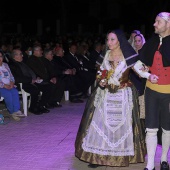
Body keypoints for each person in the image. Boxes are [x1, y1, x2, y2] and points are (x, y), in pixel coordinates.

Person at [75, 29, 146, 168]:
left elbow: (141, 71)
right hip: (105, 95)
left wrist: (151, 75)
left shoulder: (128, 55)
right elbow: (101, 72)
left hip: (123, 94)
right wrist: (101, 80)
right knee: (101, 124)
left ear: (119, 41)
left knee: (122, 125)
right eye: (108, 39)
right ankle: (98, 156)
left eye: (112, 39)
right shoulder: (106, 54)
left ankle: (120, 155)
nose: (109, 42)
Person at [133, 12, 170, 170]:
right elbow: (137, 65)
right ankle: (149, 165)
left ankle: (163, 160)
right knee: (151, 128)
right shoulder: (152, 42)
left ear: (168, 24)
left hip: (168, 94)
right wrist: (147, 74)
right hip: (151, 93)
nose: (154, 24)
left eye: (158, 22)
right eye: (155, 21)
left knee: (167, 128)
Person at [0, 50, 25, 121]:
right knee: (8, 94)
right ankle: (12, 112)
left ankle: (17, 110)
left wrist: (11, 83)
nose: (0, 58)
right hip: (1, 87)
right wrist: (4, 85)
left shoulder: (5, 65)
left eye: (1, 56)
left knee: (14, 92)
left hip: (9, 85)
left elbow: (11, 76)